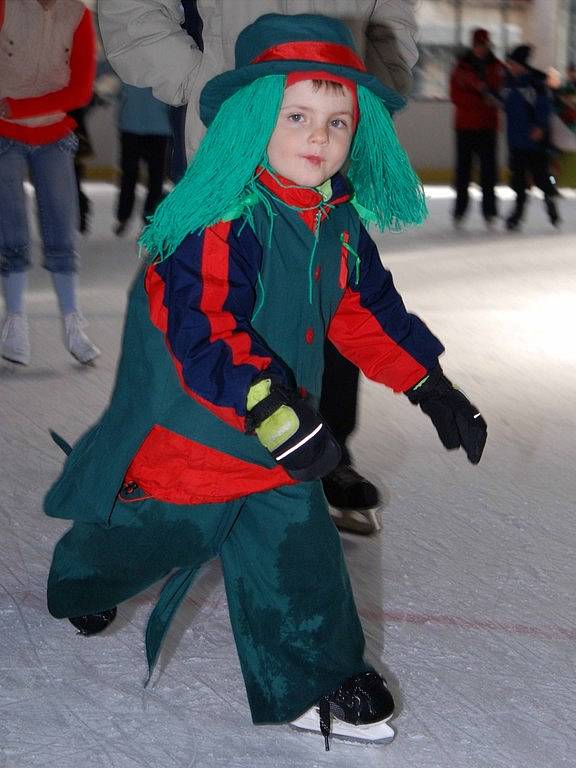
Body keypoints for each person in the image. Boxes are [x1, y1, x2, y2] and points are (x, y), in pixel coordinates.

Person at [45, 14, 487, 750]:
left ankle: (317, 675)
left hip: (282, 437)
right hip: (199, 434)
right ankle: (82, 577)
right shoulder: (216, 221)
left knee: (294, 543)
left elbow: (366, 311)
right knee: (151, 537)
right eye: (297, 117)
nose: (320, 138)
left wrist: (429, 385)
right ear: (253, 120)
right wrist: (273, 411)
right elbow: (206, 328)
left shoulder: (335, 218)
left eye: (338, 121)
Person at [98, 0, 421, 535]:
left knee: (326, 294)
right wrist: (203, 82)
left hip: (331, 119)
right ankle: (155, 474)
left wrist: (366, 83)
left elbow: (394, 12)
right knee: (201, 304)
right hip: (238, 132)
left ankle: (322, 449)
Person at [0, 0, 100, 366]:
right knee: (11, 232)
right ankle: (14, 320)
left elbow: (79, 92)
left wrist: (16, 107)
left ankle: (74, 323)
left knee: (62, 229)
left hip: (53, 134)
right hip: (2, 135)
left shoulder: (77, 15)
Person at [449, 28, 504, 230]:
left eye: (484, 45)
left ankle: (490, 212)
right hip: (465, 127)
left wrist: (482, 97)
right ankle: (459, 211)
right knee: (463, 172)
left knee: (489, 172)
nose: (481, 49)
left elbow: (500, 95)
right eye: (478, 45)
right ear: (473, 45)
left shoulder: (497, 67)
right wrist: (482, 98)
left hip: (487, 127)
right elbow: (456, 97)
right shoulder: (461, 67)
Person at [503, 45, 560, 231]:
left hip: (534, 142)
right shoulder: (509, 84)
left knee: (541, 177)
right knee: (518, 180)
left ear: (520, 65)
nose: (509, 67)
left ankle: (550, 202)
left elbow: (544, 107)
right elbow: (507, 106)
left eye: (512, 63)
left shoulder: (535, 84)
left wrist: (540, 127)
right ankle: (517, 215)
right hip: (516, 141)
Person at [114, 84, 172, 236]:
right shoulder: (165, 65)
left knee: (132, 175)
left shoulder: (128, 64)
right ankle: (145, 217)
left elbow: (114, 91)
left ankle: (128, 216)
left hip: (135, 125)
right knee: (153, 177)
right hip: (154, 126)